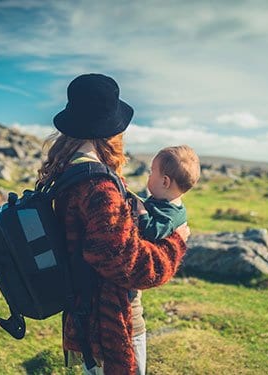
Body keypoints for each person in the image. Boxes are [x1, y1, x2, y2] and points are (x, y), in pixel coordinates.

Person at [35, 73, 190, 375]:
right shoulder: (99, 187)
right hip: (111, 325)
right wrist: (177, 242)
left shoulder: (69, 173)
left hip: (84, 318)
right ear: (108, 129)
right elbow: (131, 266)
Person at [136, 145, 200, 241]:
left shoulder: (170, 218)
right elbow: (151, 205)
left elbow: (151, 233)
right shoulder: (162, 201)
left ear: (165, 182)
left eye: (151, 171)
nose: (149, 175)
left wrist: (141, 212)